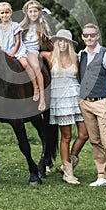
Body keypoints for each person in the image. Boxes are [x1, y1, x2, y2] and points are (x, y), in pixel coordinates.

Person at [41, 29, 89, 184]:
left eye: (64, 41)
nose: (61, 44)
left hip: (76, 98)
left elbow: (81, 78)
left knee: (84, 133)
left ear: (69, 44)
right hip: (59, 99)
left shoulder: (76, 58)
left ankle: (70, 161)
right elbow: (31, 56)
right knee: (66, 136)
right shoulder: (48, 56)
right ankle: (68, 173)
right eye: (59, 41)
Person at [79, 23, 106, 191]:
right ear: (82, 37)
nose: (89, 38)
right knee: (95, 140)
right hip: (86, 103)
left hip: (102, 102)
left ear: (97, 36)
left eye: (92, 35)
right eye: (86, 35)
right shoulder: (81, 55)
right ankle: (101, 176)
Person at [0, 1, 40, 104]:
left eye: (7, 12)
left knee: (25, 64)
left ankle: (35, 87)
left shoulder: (15, 26)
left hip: (17, 51)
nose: (5, 15)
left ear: (11, 13)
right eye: (2, 13)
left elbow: (17, 41)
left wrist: (13, 53)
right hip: (3, 52)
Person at [21, 0, 52, 111]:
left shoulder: (41, 27)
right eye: (30, 11)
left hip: (32, 50)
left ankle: (42, 97)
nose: (33, 14)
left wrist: (43, 21)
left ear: (39, 13)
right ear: (27, 13)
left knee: (36, 67)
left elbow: (49, 38)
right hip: (22, 50)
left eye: (35, 11)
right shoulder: (23, 26)